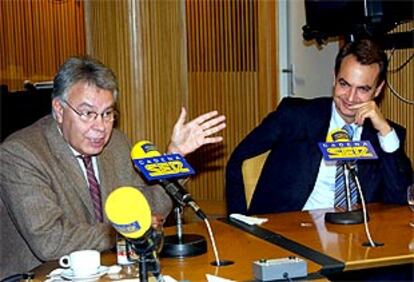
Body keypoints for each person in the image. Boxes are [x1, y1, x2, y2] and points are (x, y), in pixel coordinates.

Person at [0, 56, 226, 279]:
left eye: (108, 114)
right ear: (59, 110)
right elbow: (49, 240)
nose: (100, 127)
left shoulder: (116, 144)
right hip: (35, 275)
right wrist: (124, 230)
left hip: (108, 271)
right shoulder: (21, 153)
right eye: (88, 114)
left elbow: (150, 209)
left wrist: (174, 157)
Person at [226, 38, 412, 215]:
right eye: (344, 84)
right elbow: (239, 158)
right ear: (334, 78)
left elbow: (401, 199)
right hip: (293, 231)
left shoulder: (385, 136)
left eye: (363, 89)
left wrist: (385, 132)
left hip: (357, 236)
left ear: (378, 90)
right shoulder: (295, 117)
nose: (350, 97)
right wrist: (239, 221)